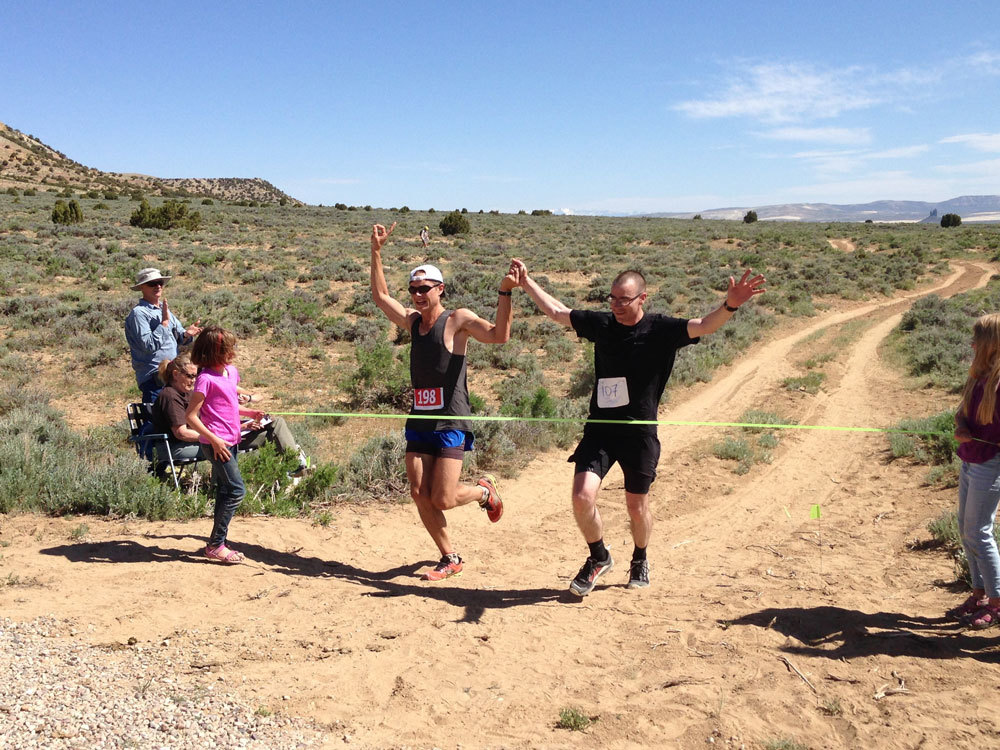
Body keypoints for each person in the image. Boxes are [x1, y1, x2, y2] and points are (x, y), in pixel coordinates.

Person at [511, 259, 765, 595]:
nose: (615, 305)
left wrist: (731, 304)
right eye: (612, 298)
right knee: (582, 497)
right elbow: (559, 312)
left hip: (639, 433)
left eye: (623, 299)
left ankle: (640, 558)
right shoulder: (602, 324)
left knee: (636, 504)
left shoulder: (661, 330)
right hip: (600, 429)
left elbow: (704, 325)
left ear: (642, 298)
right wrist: (527, 283)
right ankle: (599, 557)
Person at [370, 222, 519, 581]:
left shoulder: (457, 320)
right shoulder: (412, 321)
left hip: (451, 421)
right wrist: (375, 252)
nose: (418, 295)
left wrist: (505, 292)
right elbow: (379, 297)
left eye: (425, 289)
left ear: (440, 289)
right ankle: (450, 556)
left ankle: (484, 492)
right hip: (420, 419)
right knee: (419, 492)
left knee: (444, 497)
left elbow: (499, 337)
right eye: (413, 289)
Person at [153, 353, 311, 477]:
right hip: (181, 447)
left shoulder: (188, 393)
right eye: (190, 376)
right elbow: (182, 433)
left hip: (207, 440)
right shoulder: (170, 396)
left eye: (195, 376)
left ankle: (293, 468)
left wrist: (240, 426)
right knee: (256, 434)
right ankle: (229, 488)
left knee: (274, 426)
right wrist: (216, 439)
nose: (193, 380)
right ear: (175, 374)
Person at [185, 325, 262, 564]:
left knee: (226, 490)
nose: (234, 352)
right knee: (236, 490)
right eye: (229, 348)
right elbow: (191, 416)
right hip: (217, 444)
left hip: (231, 440)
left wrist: (250, 412)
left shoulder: (231, 373)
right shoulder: (205, 380)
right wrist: (216, 440)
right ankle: (216, 544)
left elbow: (228, 406)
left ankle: (217, 543)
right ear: (216, 352)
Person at [952, 313, 1000, 628]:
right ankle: (980, 593)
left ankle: (996, 603)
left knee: (979, 532)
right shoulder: (978, 377)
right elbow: (961, 414)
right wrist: (961, 426)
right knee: (965, 528)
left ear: (990, 345)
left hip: (991, 464)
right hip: (971, 459)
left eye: (976, 339)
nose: (971, 343)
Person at [124, 267, 202, 403]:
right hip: (154, 377)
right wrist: (164, 323)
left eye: (160, 282)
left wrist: (187, 335)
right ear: (142, 287)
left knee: (174, 419)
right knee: (157, 420)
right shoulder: (139, 314)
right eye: (152, 283)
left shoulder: (164, 310)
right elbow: (148, 345)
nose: (158, 286)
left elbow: (179, 339)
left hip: (173, 374)